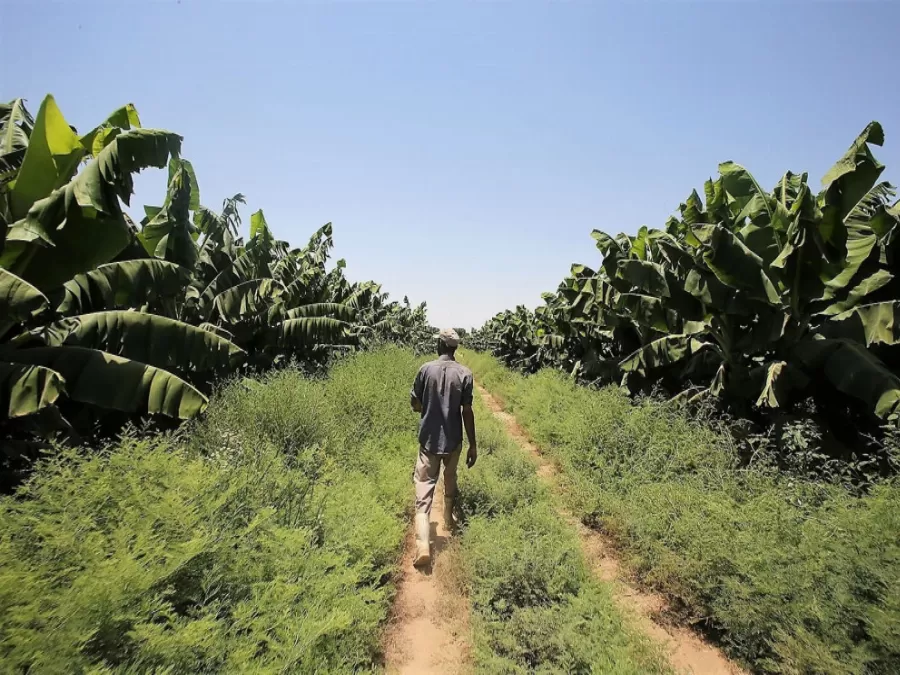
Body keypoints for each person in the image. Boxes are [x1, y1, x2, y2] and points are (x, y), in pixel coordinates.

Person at [409, 328, 477, 567]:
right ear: (455, 348)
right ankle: (448, 518)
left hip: (429, 441)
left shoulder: (425, 370)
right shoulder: (465, 373)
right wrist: (473, 445)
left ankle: (423, 545)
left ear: (440, 344)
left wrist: (426, 406)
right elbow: (467, 411)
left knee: (424, 489)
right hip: (454, 441)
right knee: (450, 479)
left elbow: (415, 403)